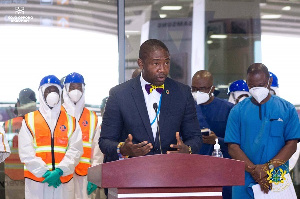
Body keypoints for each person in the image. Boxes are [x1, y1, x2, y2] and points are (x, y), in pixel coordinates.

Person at [99, 39, 201, 163]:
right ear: (141, 63)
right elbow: (105, 141)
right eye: (156, 64)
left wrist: (188, 149)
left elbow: (195, 137)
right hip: (131, 173)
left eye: (167, 63)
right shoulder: (119, 94)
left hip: (171, 171)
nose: (163, 69)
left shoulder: (182, 93)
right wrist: (123, 149)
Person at [225, 63, 300, 199]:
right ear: (247, 84)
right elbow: (233, 147)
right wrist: (255, 171)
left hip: (277, 179)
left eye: (260, 84)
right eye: (252, 86)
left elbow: (292, 145)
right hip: (245, 179)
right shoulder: (237, 111)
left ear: (269, 81)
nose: (256, 89)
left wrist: (268, 168)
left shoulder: (287, 109)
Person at [18, 75, 83, 199]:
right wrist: (44, 172)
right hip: (37, 182)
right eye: (48, 90)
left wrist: (60, 171)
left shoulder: (71, 122)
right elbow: (26, 152)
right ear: (42, 92)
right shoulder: (29, 120)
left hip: (63, 182)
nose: (52, 93)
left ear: (60, 92)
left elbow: (76, 150)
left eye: (55, 90)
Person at [191, 70, 233, 199]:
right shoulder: (186, 108)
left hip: (221, 171)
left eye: (202, 89)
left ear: (212, 89)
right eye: (194, 88)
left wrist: (216, 140)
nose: (198, 93)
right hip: (193, 170)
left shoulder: (228, 109)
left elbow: (236, 143)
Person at [62, 72, 103, 199]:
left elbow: (97, 150)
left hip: (84, 176)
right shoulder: (57, 114)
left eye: (79, 87)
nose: (76, 91)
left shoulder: (91, 117)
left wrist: (95, 176)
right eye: (72, 87)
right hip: (61, 175)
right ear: (66, 89)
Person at [3, 88, 37, 199]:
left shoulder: (6, 126)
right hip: (35, 180)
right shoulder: (41, 125)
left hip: (12, 180)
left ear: (18, 103)